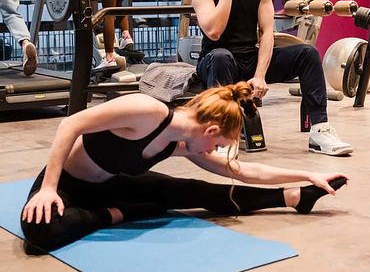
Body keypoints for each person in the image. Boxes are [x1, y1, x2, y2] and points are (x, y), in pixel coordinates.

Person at [20, 82, 348, 252]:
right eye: (218, 145)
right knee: (40, 232)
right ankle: (122, 213)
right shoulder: (146, 111)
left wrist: (307, 175)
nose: (214, 152)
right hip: (66, 185)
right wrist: (48, 188)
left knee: (193, 190)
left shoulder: (179, 143)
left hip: (110, 185)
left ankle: (291, 198)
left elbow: (240, 171)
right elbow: (70, 124)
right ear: (210, 130)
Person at [191, 0, 353, 156]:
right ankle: (222, 136)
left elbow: (267, 33)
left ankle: (320, 131)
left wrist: (259, 75)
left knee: (307, 53)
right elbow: (214, 32)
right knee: (221, 56)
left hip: (249, 59)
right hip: (215, 61)